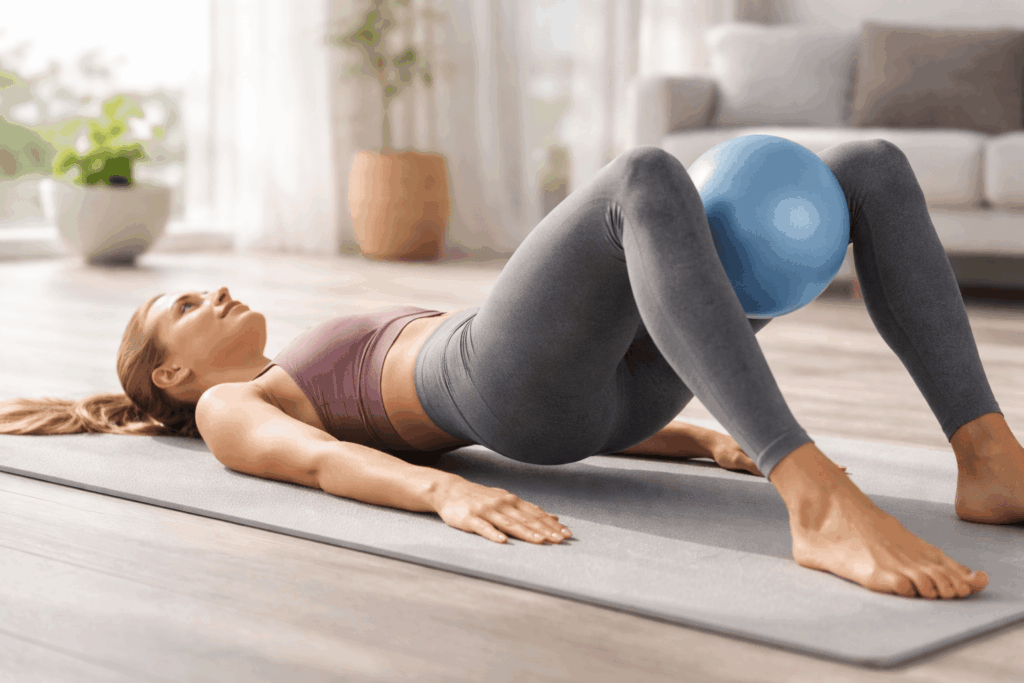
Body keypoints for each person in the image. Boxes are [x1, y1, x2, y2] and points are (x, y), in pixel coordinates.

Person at [3, 141, 1018, 602]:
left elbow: (579, 382)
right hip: (502, 381)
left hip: (604, 388)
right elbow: (318, 465)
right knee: (638, 178)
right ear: (173, 375)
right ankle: (815, 496)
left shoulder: (267, 362)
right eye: (182, 308)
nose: (210, 294)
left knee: (874, 169)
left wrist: (694, 435)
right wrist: (445, 490)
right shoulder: (233, 404)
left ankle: (986, 454)